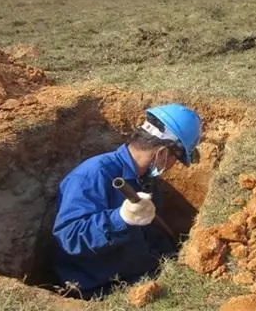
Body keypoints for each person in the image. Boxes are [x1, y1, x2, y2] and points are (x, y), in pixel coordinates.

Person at [50, 103, 202, 300]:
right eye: (176, 159)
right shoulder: (92, 175)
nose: (173, 166)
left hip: (136, 273)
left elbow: (152, 232)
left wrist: (173, 258)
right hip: (95, 287)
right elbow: (68, 238)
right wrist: (120, 218)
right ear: (163, 153)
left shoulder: (146, 180)